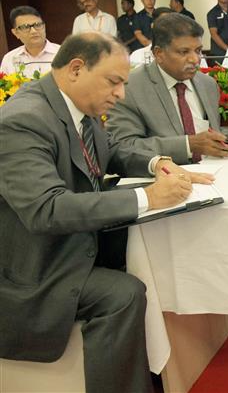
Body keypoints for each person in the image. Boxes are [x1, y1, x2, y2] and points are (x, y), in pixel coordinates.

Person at [0, 31, 213, 393]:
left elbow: (110, 148)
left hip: (73, 244)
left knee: (153, 251)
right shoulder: (22, 121)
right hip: (37, 267)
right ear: (76, 69)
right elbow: (47, 210)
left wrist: (159, 163)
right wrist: (149, 197)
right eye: (114, 82)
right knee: (123, 293)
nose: (121, 94)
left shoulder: (72, 106)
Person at [108, 13, 228, 165]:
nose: (195, 59)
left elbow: (205, 131)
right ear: (158, 54)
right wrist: (188, 145)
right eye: (184, 52)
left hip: (213, 173)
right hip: (161, 180)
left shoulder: (207, 84)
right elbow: (123, 147)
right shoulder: (130, 88)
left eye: (198, 50)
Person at [0, 5, 60, 77]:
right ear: (15, 33)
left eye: (37, 25)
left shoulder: (63, 53)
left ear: (44, 26)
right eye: (25, 27)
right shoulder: (9, 59)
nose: (33, 31)